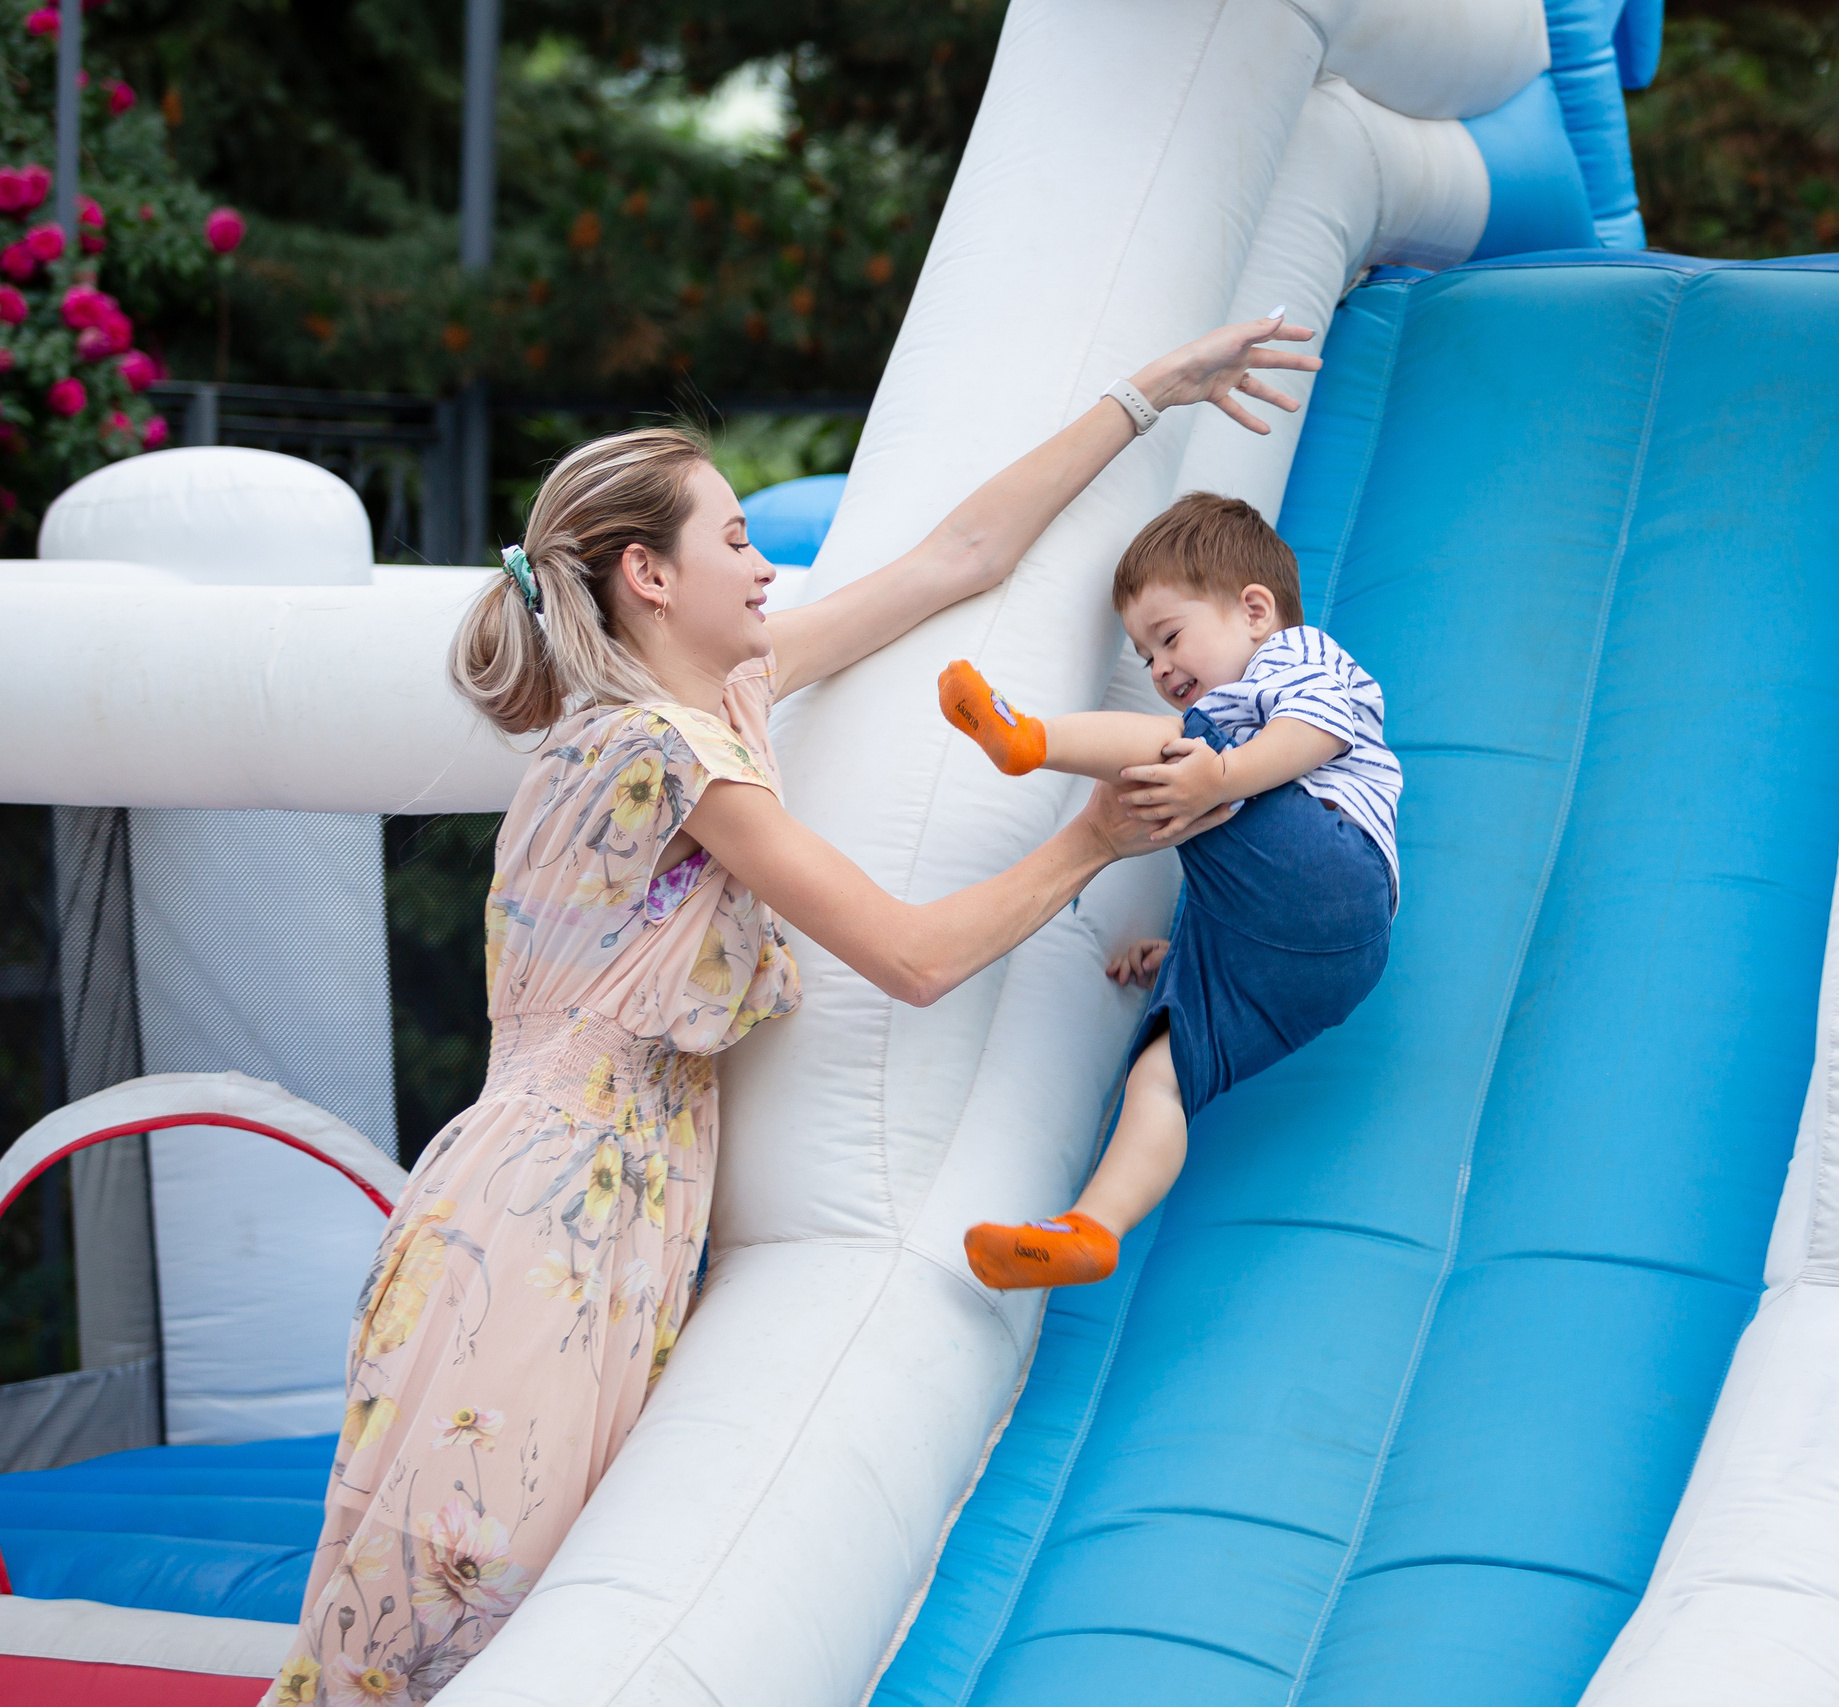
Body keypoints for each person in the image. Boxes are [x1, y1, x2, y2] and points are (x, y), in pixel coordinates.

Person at [267, 314, 1321, 1705]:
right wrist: (1086, 842)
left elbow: (959, 558)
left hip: (606, 1204)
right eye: (737, 543)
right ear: (649, 576)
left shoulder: (720, 703)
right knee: (447, 1626)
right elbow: (914, 956)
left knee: (501, 1620)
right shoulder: (667, 748)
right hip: (545, 1216)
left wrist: (1146, 393)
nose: (767, 567)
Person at [941, 490, 1402, 1290]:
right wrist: (1186, 950)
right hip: (1295, 960)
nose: (1158, 668)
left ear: (1255, 609)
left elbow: (1316, 733)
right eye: (1144, 654)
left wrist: (1221, 769)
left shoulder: (1299, 657)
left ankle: (1029, 739)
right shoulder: (1230, 711)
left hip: (1335, 872)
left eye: (1170, 637)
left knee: (1171, 754)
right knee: (1161, 1073)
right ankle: (1090, 1228)